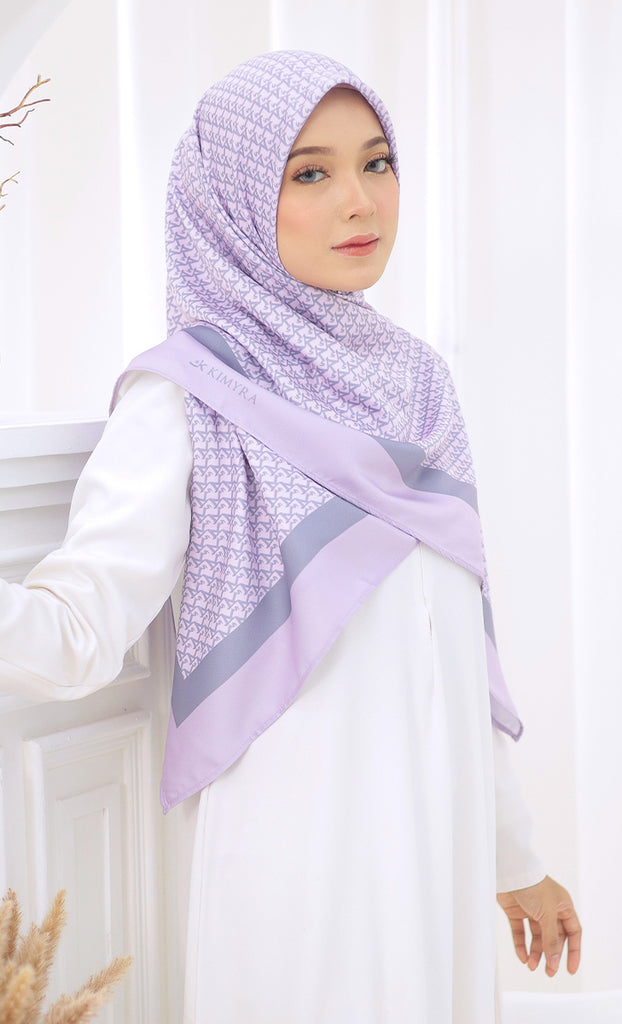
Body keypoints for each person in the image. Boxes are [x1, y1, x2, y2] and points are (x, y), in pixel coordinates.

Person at [0, 50, 580, 1023]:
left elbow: (456, 650)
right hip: (303, 873)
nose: (360, 200)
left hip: (436, 855)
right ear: (228, 202)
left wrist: (512, 857)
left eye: (377, 161)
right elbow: (79, 631)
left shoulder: (419, 383)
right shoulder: (187, 394)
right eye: (309, 172)